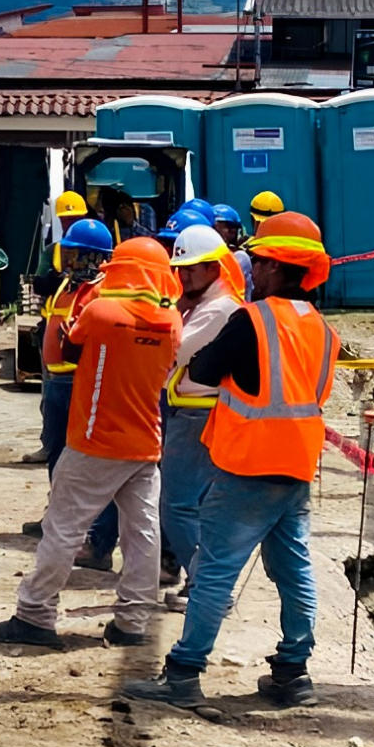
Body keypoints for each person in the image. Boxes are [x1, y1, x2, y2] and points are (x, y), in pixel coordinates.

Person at [126, 212, 338, 710]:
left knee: (215, 570)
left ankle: (183, 671)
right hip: (298, 465)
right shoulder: (323, 330)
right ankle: (293, 671)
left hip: (248, 463)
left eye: (259, 262)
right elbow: (316, 393)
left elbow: (204, 367)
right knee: (293, 569)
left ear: (277, 267)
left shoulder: (253, 319)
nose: (251, 271)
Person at [0, 238, 181, 650]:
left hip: (95, 439)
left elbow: (61, 353)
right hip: (145, 443)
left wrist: (66, 297)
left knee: (63, 529)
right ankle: (132, 622)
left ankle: (34, 614)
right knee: (142, 535)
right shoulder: (172, 320)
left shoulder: (101, 310)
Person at [160, 225, 246, 611]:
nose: (184, 275)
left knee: (177, 505)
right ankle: (207, 585)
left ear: (214, 269)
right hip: (192, 411)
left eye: (192, 268)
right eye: (180, 268)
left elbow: (173, 349)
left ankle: (206, 587)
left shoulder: (220, 309)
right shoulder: (197, 306)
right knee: (194, 507)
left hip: (197, 413)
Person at [20, 220, 112, 468]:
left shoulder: (101, 290)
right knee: (56, 451)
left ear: (94, 257)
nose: (69, 261)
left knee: (77, 454)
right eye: (68, 254)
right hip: (55, 380)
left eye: (75, 254)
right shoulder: (66, 284)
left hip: (78, 381)